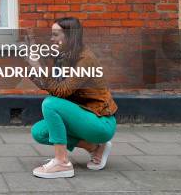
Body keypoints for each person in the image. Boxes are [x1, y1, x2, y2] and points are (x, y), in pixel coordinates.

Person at [27, 17, 118, 178]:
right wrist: (37, 65)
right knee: (39, 132)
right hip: (83, 116)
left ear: (69, 36)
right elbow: (56, 89)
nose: (51, 39)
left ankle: (62, 163)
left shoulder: (85, 59)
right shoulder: (64, 57)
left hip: (100, 122)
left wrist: (39, 69)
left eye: (55, 35)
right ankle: (95, 148)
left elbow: (61, 92)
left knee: (50, 104)